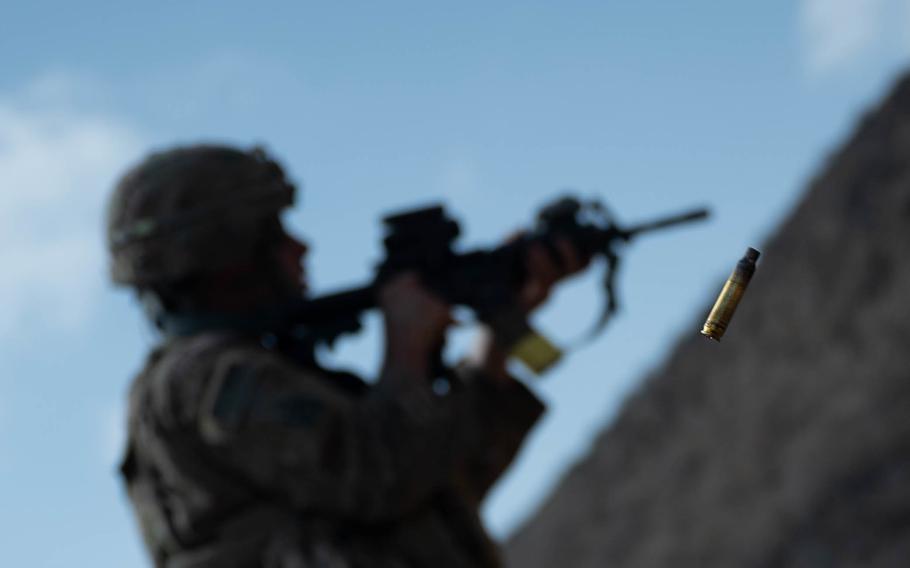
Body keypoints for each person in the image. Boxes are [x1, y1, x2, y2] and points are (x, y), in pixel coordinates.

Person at [108, 144, 585, 567]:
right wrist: (405, 353)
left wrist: (491, 350)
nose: (300, 248)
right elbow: (378, 478)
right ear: (227, 257)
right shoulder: (207, 379)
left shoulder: (255, 374)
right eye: (275, 234)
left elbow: (437, 487)